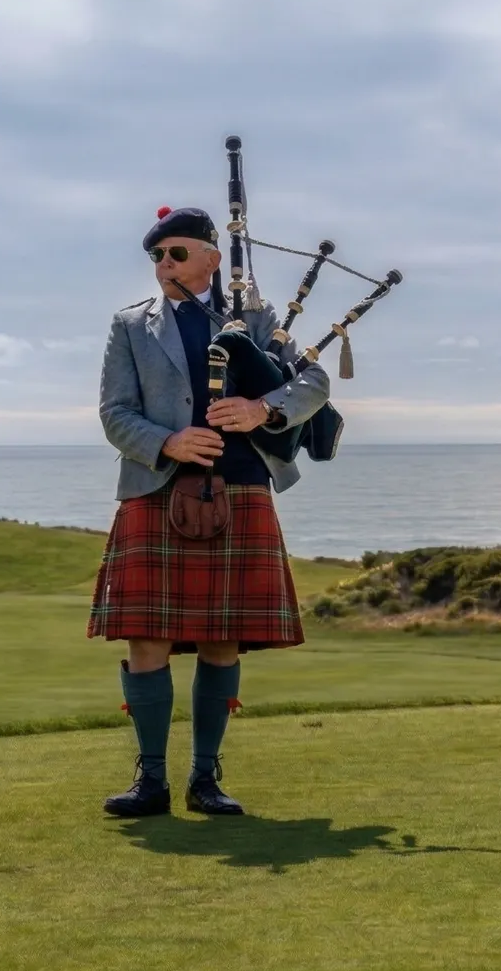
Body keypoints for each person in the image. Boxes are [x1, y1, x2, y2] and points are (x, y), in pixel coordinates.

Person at [88, 204, 331, 817]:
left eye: (175, 253)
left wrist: (263, 411)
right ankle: (150, 781)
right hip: (157, 485)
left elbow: (313, 383)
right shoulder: (130, 325)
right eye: (156, 256)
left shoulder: (254, 317)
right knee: (149, 638)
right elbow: (115, 412)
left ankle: (205, 779)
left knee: (223, 639)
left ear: (211, 258)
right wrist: (166, 441)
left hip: (241, 482)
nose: (163, 265)